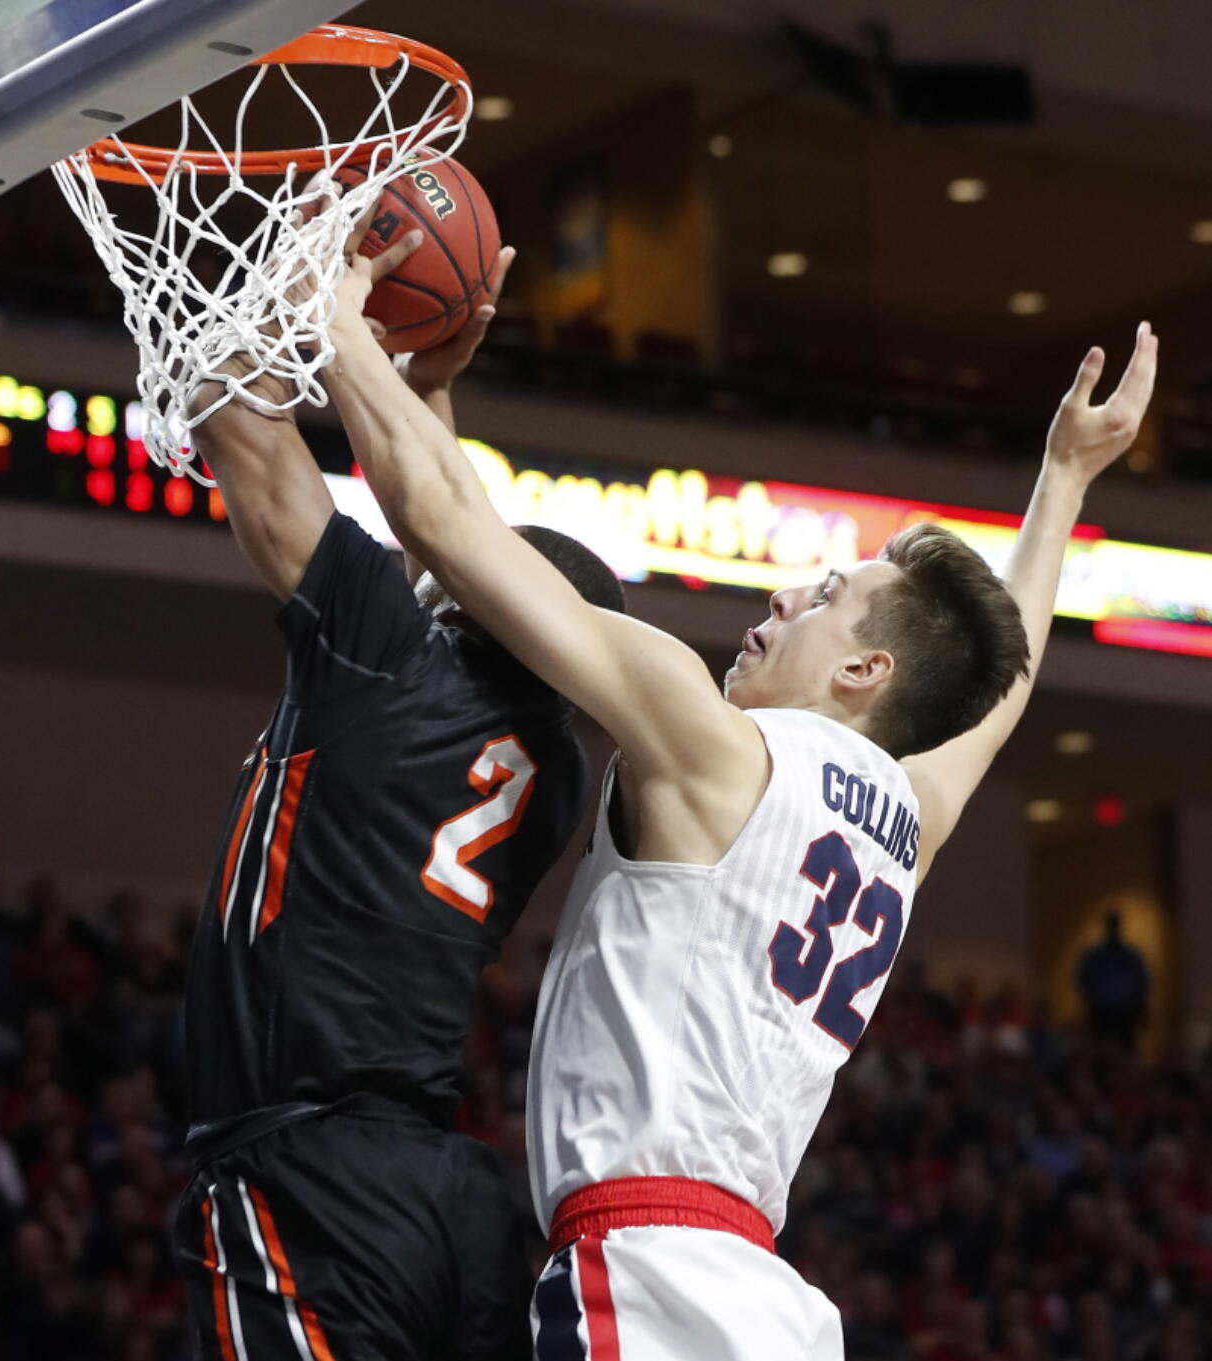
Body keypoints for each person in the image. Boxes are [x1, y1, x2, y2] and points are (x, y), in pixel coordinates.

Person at [316, 230, 1156, 1359]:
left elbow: (447, 530)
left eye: (819, 597)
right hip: (767, 1304)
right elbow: (998, 700)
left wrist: (334, 321)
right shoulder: (902, 820)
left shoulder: (713, 748)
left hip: (654, 1277)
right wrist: (1060, 480)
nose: (780, 594)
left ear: (865, 671)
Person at [169, 236, 625, 1361]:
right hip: (444, 1193)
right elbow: (451, 548)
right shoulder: (555, 760)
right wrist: (424, 385)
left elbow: (233, 415)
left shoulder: (387, 656)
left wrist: (308, 287)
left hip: (310, 1165)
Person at [1076, 910, 1150, 1050]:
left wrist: (1141, 1008)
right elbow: (1083, 980)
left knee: (1126, 1053)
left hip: (1126, 1014)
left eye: (1115, 925)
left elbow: (1142, 983)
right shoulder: (1094, 956)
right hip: (1100, 1013)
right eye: (1111, 925)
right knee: (1100, 1051)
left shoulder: (1131, 956)